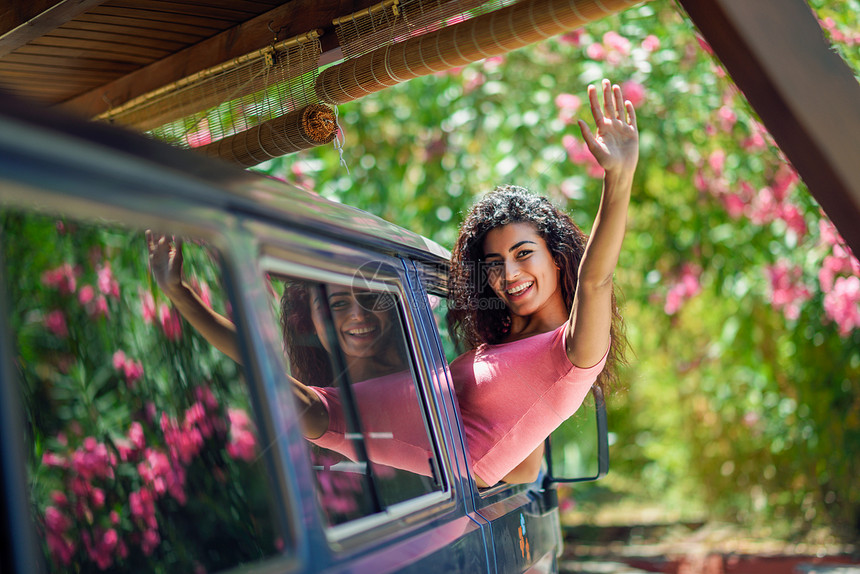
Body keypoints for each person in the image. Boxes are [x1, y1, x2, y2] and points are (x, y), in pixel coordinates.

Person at [149, 77, 637, 488]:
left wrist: (618, 177)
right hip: (438, 436)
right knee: (308, 402)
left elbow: (595, 281)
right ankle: (197, 249)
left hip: (452, 458)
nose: (508, 275)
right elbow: (524, 463)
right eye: (493, 263)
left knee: (308, 407)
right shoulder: (510, 342)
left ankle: (188, 278)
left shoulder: (573, 351)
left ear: (559, 258)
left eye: (524, 254)